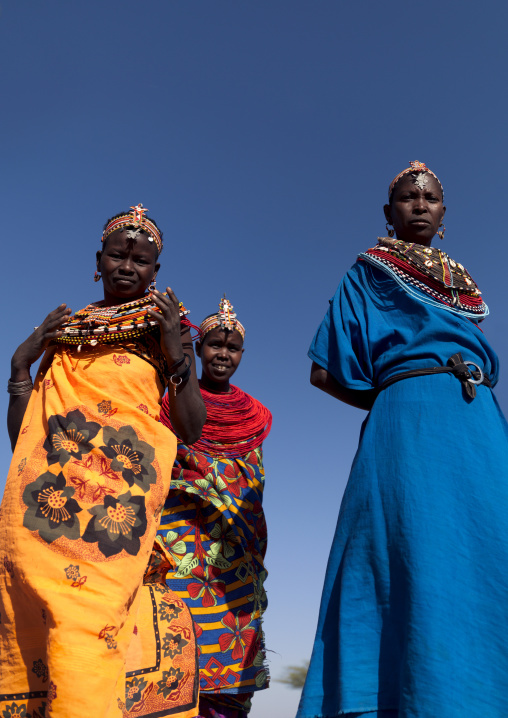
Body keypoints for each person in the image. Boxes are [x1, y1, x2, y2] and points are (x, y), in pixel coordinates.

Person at [297, 162, 508, 718]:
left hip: (480, 423)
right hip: (408, 425)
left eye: (430, 197)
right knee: (411, 551)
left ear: (444, 215)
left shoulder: (464, 282)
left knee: (488, 550)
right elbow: (325, 371)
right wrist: (398, 396)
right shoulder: (368, 270)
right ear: (388, 212)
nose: (419, 204)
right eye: (407, 197)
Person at [0, 204, 206, 717]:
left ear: (157, 271)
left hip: (114, 504)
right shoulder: (67, 329)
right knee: (26, 603)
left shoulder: (167, 327)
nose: (127, 267)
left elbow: (193, 426)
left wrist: (175, 353)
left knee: (89, 618)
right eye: (118, 255)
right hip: (46, 500)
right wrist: (21, 363)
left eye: (141, 260)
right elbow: (25, 434)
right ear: (99, 259)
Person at [158, 297, 272, 718]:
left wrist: (256, 548)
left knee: (232, 648)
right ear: (199, 348)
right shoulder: (172, 402)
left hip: (237, 553)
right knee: (174, 646)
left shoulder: (255, 417)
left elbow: (254, 490)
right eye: (214, 345)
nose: (223, 354)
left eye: (233, 347)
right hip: (180, 543)